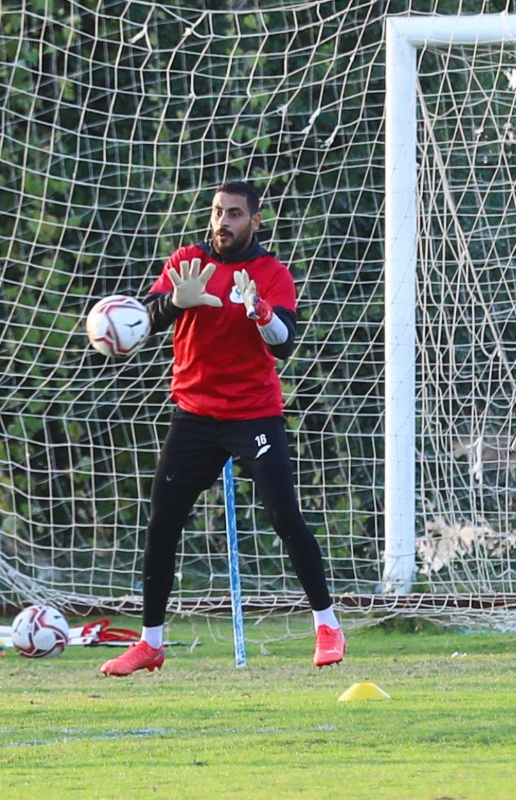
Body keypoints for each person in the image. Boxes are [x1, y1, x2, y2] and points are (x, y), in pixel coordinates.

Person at [100, 180, 345, 676]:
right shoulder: (187, 261)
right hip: (194, 414)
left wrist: (261, 313)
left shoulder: (271, 273)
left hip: (254, 414)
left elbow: (284, 344)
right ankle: (150, 643)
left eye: (234, 214)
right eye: (217, 212)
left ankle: (327, 626)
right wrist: (177, 301)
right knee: (162, 523)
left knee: (284, 515)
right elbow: (144, 321)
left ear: (255, 221)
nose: (223, 222)